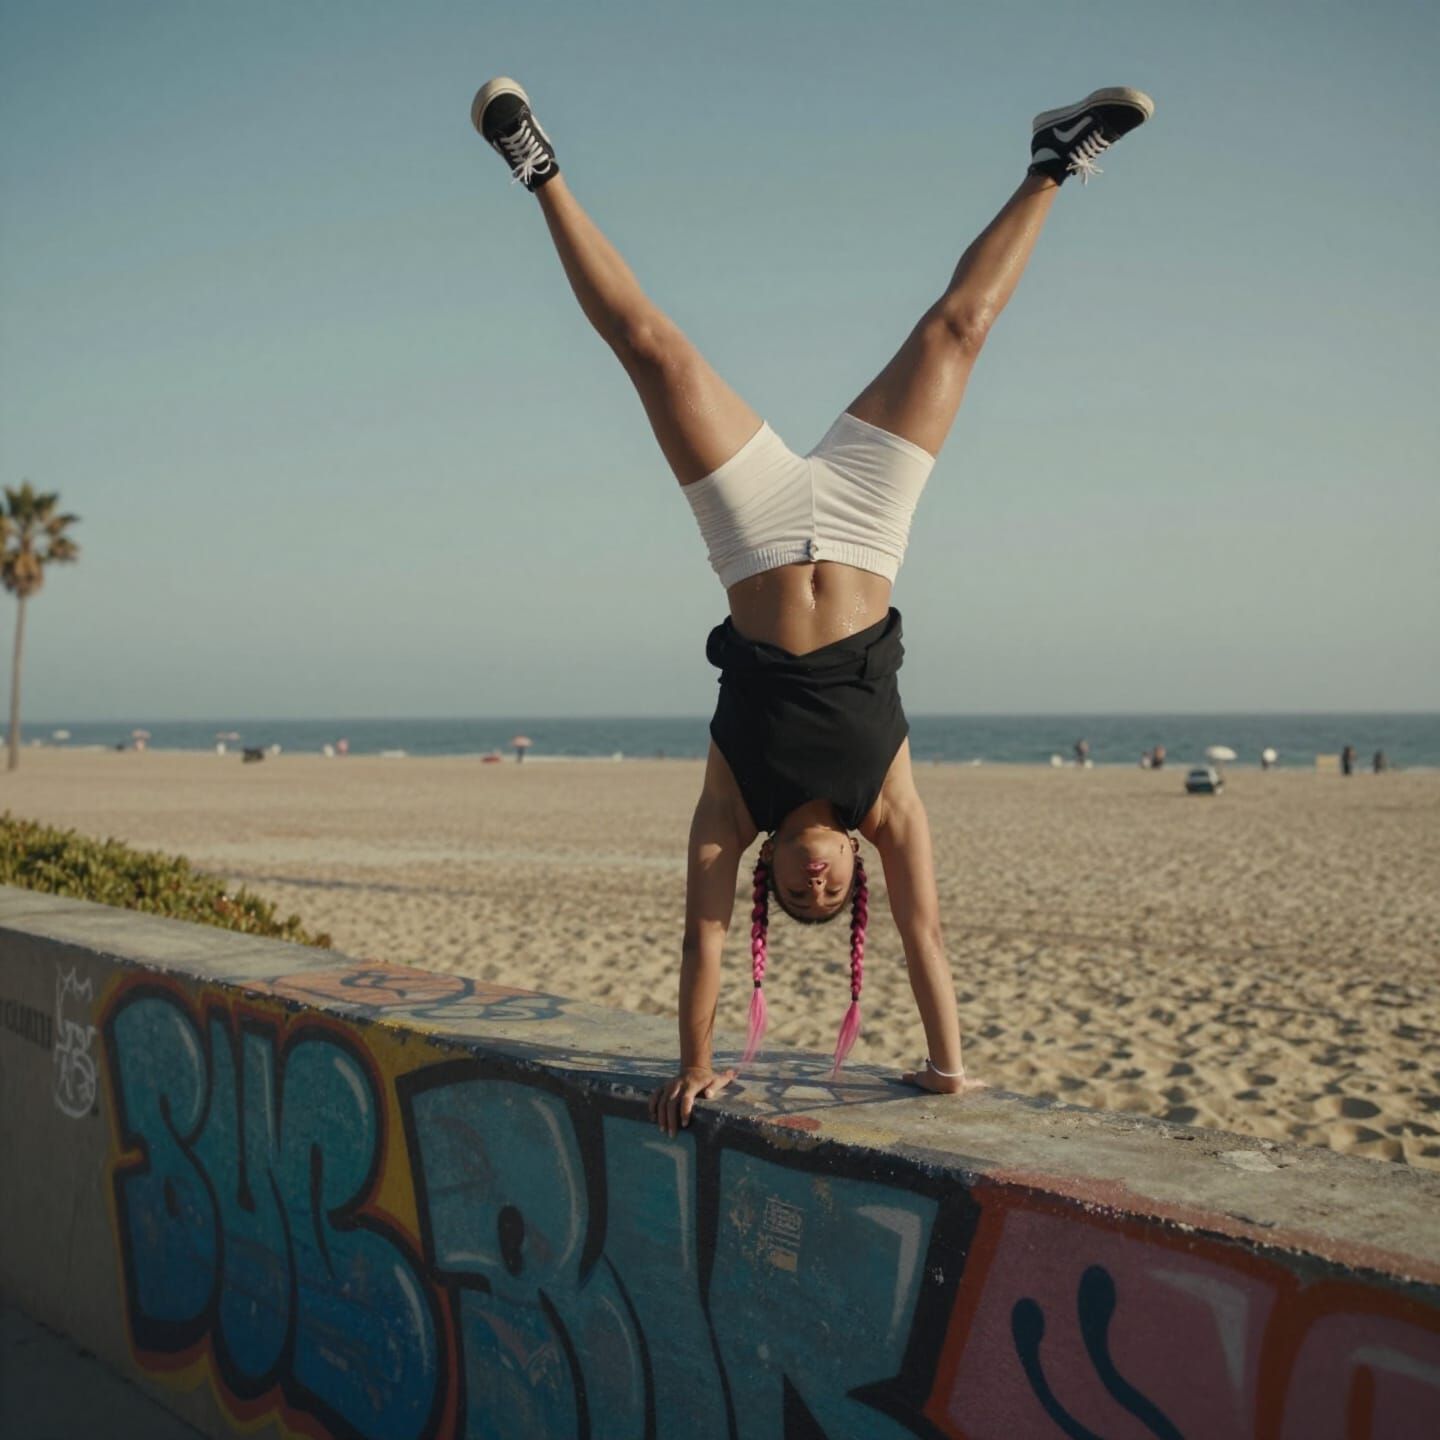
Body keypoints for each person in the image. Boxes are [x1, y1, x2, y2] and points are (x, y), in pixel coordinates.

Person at [470, 77, 1154, 1136]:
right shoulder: (889, 810)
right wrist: (947, 1068)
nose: (824, 885)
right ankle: (1057, 161)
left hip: (752, 527)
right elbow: (926, 935)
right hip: (869, 522)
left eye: (806, 895)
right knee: (958, 329)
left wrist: (695, 1065)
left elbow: (700, 944)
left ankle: (537, 169)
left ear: (776, 882)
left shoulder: (729, 812)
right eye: (835, 895)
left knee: (651, 348)